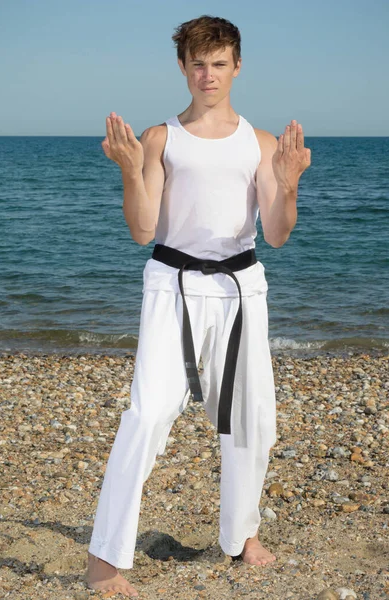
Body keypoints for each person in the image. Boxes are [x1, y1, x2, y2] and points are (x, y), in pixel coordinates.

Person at [85, 14, 311, 598]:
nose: (207, 74)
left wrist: (286, 186)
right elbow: (141, 230)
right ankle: (106, 558)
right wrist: (132, 172)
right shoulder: (161, 138)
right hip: (173, 283)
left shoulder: (259, 144)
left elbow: (279, 235)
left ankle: (241, 537)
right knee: (149, 412)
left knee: (251, 418)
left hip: (241, 289)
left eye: (218, 63)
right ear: (182, 67)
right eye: (197, 63)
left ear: (237, 65)